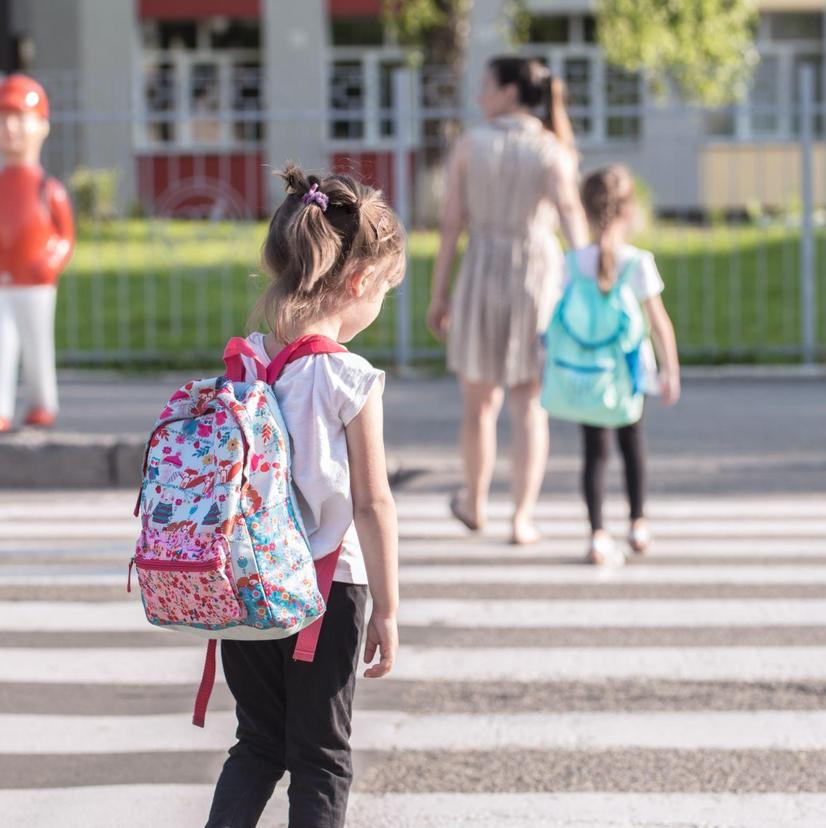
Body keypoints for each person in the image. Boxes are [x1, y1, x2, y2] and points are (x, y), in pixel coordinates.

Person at [205, 166, 403, 828]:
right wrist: (390, 609)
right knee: (321, 759)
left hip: (244, 589)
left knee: (258, 744)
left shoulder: (246, 363)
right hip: (325, 591)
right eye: (384, 290)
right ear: (357, 284)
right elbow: (373, 504)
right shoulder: (350, 377)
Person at [426, 56, 588, 544]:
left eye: (487, 87)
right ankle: (522, 518)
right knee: (529, 403)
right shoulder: (552, 149)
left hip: (480, 270)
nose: (480, 97)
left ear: (511, 92)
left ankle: (475, 502)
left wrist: (439, 293)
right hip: (538, 273)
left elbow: (452, 223)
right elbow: (572, 218)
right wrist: (585, 284)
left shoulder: (470, 145)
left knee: (479, 404)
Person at [572, 165, 680, 565]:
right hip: (631, 372)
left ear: (584, 210)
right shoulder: (638, 261)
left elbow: (555, 319)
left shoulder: (574, 262)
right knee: (632, 444)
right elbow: (659, 321)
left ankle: (597, 534)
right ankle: (638, 523)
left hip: (587, 372)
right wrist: (671, 369)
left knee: (594, 452)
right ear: (629, 210)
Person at [0, 74, 75, 433]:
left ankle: (43, 402)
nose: (10, 128)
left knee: (36, 345)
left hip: (36, 284)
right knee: (2, 345)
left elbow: (65, 236)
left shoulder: (49, 188)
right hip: (3, 281)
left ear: (41, 126)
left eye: (20, 117)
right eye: (3, 119)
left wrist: (51, 260)